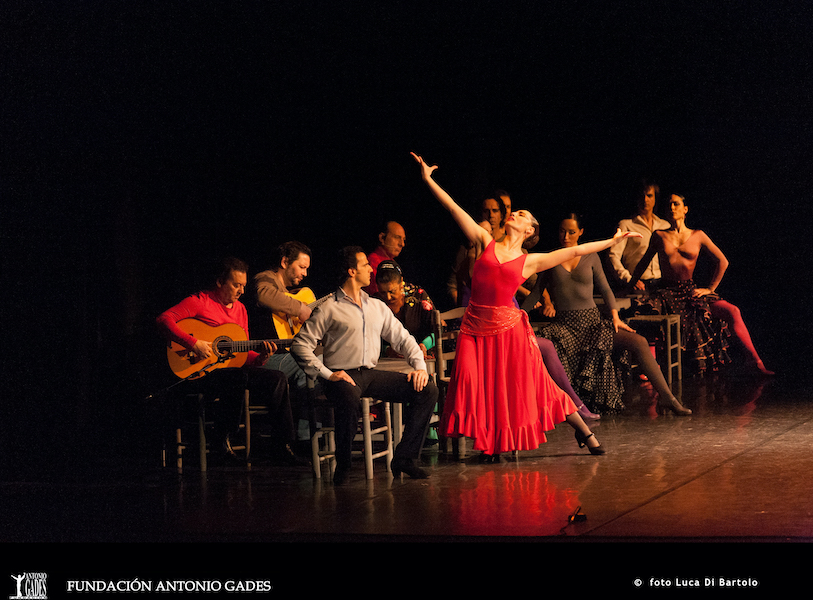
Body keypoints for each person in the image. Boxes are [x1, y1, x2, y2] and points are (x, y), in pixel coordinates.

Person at [411, 152, 638, 460]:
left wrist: (614, 241)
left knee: (539, 386)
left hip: (509, 332)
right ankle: (491, 444)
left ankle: (584, 431)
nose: (514, 214)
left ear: (530, 230)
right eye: (515, 212)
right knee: (481, 388)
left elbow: (579, 249)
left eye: (521, 214)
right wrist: (428, 179)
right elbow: (453, 208)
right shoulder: (483, 240)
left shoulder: (531, 261)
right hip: (476, 328)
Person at [291, 246, 438, 484]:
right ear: (351, 271)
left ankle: (405, 458)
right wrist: (328, 375)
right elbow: (300, 346)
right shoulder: (330, 307)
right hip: (342, 376)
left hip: (369, 375)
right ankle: (344, 466)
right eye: (365, 265)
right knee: (348, 397)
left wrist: (419, 367)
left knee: (428, 389)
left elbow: (403, 339)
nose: (371, 269)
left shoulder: (376, 306)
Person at [525, 214, 692, 416]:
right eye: (562, 231)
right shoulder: (551, 258)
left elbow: (605, 289)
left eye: (571, 231)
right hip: (564, 327)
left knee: (638, 341)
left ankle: (668, 398)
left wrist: (614, 316)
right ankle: (556, 407)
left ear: (581, 232)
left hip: (592, 323)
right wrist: (515, 315)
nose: (566, 236)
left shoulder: (591, 257)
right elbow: (535, 295)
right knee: (541, 348)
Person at [156, 257, 303, 465]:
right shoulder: (200, 301)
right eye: (236, 285)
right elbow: (164, 319)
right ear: (219, 282)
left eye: (243, 285)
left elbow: (243, 355)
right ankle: (221, 440)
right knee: (237, 376)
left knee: (276, 378)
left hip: (233, 371)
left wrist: (261, 357)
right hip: (201, 371)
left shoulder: (241, 309)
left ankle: (282, 445)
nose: (241, 291)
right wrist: (193, 343)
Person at [627, 193, 773, 376]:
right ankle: (650, 367)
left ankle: (755, 362)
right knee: (652, 313)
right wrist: (631, 284)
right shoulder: (659, 236)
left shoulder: (698, 235)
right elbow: (643, 263)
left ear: (685, 209)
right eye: (668, 205)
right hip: (667, 291)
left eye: (676, 204)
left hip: (689, 291)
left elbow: (723, 261)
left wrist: (710, 289)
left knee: (732, 311)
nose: (671, 208)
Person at [252, 241, 318, 446]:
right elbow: (263, 294)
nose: (305, 274)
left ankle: (314, 431)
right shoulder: (266, 278)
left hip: (283, 354)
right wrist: (299, 309)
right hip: (264, 358)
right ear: (284, 262)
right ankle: (306, 439)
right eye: (302, 267)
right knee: (309, 366)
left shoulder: (287, 291)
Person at [608, 180, 672, 290]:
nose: (645, 200)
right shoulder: (627, 225)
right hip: (638, 284)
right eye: (642, 196)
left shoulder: (664, 225)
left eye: (649, 196)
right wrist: (628, 278)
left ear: (655, 198)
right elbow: (613, 255)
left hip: (662, 284)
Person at [374, 260, 435, 357]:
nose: (388, 297)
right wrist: (387, 350)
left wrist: (423, 346)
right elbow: (367, 338)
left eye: (392, 291)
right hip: (387, 362)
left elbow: (438, 329)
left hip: (421, 357)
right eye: (383, 292)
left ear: (401, 282)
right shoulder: (375, 302)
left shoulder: (418, 297)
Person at [364, 220, 407, 295]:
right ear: (382, 238)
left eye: (403, 239)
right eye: (397, 237)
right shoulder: (373, 261)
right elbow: (379, 295)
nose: (402, 244)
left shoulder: (392, 262)